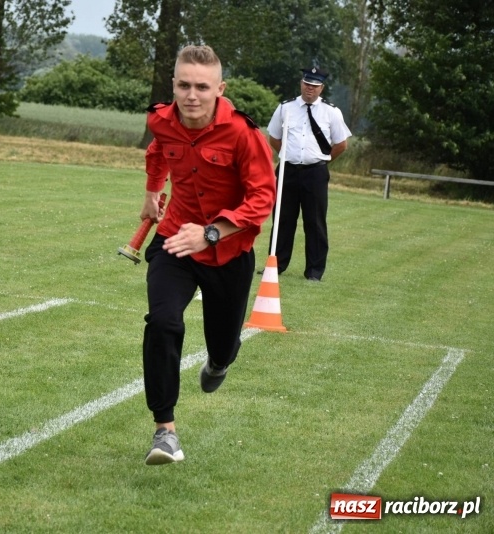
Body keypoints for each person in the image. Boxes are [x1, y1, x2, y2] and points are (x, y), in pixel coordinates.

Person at [139, 45, 276, 465]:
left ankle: (219, 362)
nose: (191, 95)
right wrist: (152, 192)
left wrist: (212, 233)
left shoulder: (243, 134)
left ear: (220, 88)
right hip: (175, 239)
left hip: (229, 252)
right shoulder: (160, 119)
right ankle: (165, 432)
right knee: (162, 321)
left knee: (223, 345)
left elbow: (263, 198)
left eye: (202, 87)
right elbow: (157, 150)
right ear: (173, 85)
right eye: (183, 85)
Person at [265, 67, 352, 281]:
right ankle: (276, 265)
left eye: (314, 86)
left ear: (321, 88)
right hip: (288, 171)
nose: (309, 89)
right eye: (306, 84)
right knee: (283, 219)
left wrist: (324, 161)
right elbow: (274, 137)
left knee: (315, 222)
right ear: (301, 84)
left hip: (315, 173)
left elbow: (341, 144)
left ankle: (314, 271)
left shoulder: (331, 112)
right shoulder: (285, 108)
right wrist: (288, 154)